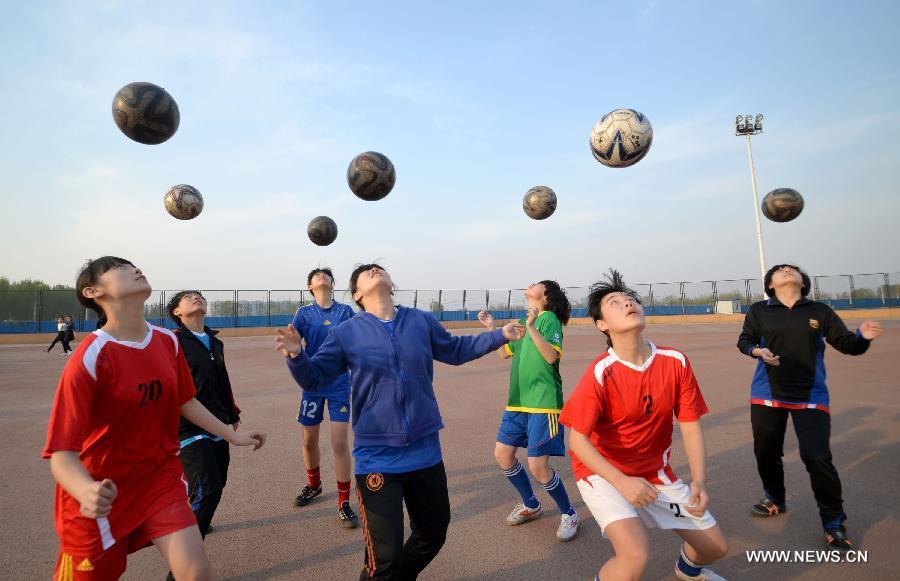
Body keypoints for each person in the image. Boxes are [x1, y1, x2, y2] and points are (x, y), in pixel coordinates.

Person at [276, 263, 525, 580]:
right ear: (357, 294)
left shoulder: (420, 320)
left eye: (379, 269)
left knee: (432, 536)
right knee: (384, 558)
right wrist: (298, 357)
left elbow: (455, 349)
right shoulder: (346, 333)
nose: (375, 271)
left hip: (425, 452)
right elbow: (315, 377)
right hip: (377, 457)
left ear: (391, 285)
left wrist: (498, 336)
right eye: (366, 272)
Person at [44, 256, 266, 580]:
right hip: (101, 490)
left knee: (196, 572)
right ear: (93, 291)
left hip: (158, 479)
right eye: (118, 268)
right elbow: (62, 455)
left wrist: (233, 435)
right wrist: (85, 490)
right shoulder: (90, 358)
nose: (134, 269)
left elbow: (185, 402)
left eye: (134, 265)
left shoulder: (167, 342)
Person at [560, 269, 728, 581]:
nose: (627, 303)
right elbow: (577, 441)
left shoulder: (674, 361)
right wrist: (622, 482)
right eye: (614, 303)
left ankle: (688, 572)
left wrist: (699, 482)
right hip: (603, 476)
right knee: (635, 556)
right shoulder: (601, 373)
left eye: (630, 299)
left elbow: (689, 424)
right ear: (602, 325)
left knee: (714, 547)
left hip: (656, 478)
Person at [737, 264, 883, 550]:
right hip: (767, 392)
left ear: (803, 282)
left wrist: (862, 337)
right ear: (770, 285)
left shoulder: (820, 311)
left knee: (817, 457)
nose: (786, 270)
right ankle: (775, 499)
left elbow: (847, 344)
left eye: (792, 269)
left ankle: (833, 523)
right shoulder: (759, 310)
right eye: (779, 270)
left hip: (811, 395)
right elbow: (745, 341)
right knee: (766, 451)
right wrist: (758, 351)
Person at [477, 280, 579, 542]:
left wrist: (532, 327)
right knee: (503, 455)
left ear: (545, 295)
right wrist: (492, 329)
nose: (530, 284)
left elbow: (550, 357)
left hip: (543, 404)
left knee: (538, 466)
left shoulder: (549, 320)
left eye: (537, 284)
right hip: (517, 403)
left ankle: (569, 512)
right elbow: (504, 354)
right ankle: (530, 503)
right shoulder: (526, 321)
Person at [165, 290, 242, 539]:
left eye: (199, 296)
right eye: (188, 297)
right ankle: (183, 558)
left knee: (217, 482)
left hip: (218, 422)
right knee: (208, 489)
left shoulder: (215, 341)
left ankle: (199, 518)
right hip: (187, 427)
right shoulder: (171, 341)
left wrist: (232, 413)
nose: (196, 298)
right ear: (177, 312)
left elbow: (223, 381)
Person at [291, 267, 358, 528]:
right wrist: (291, 349)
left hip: (340, 384)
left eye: (326, 275)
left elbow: (357, 342)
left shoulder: (345, 312)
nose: (321, 277)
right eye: (316, 276)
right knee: (309, 442)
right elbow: (295, 344)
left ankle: (343, 502)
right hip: (313, 384)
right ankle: (314, 485)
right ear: (310, 286)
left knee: (339, 443)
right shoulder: (304, 313)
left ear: (332, 283)